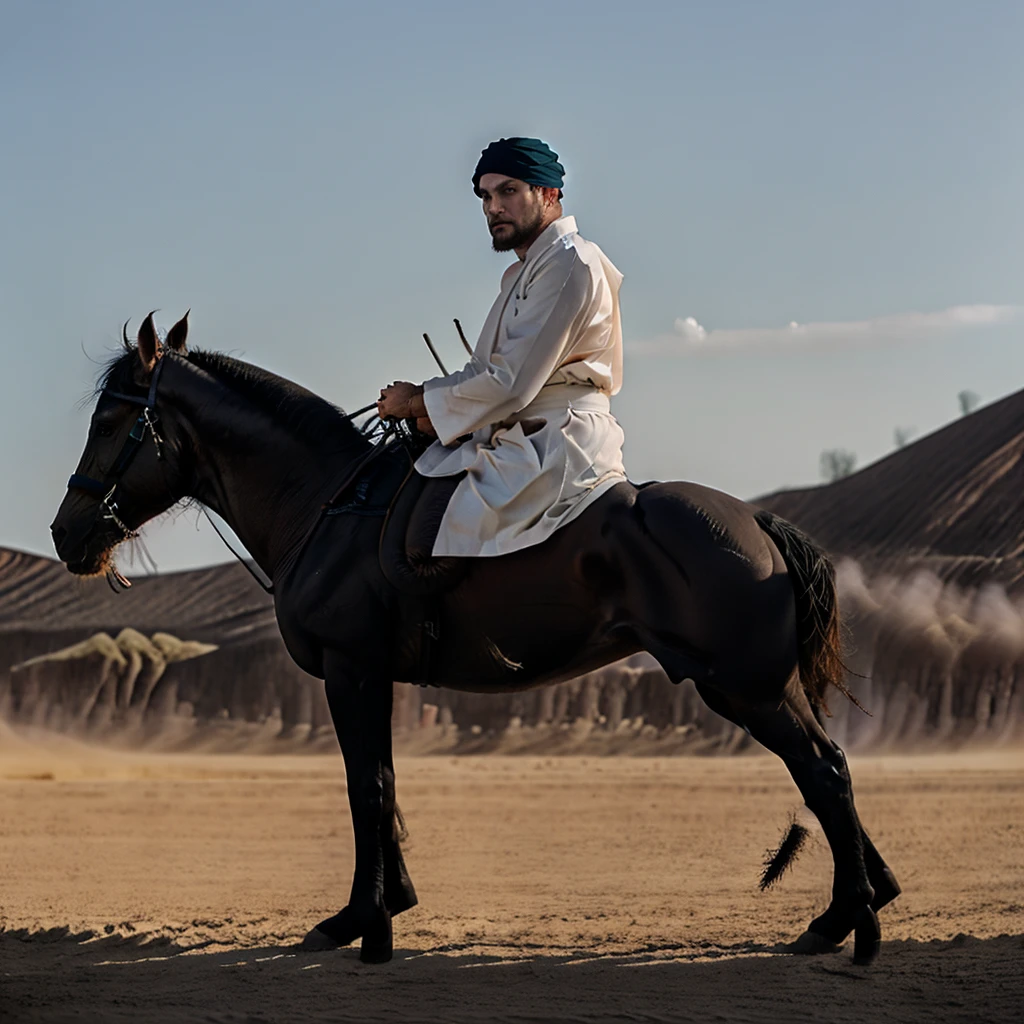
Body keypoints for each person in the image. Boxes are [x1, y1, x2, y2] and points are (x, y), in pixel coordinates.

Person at [377, 137, 627, 557]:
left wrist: (418, 403)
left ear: (548, 194)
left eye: (508, 191)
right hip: (522, 435)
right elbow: (484, 373)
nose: (493, 207)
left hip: (554, 444)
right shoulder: (524, 273)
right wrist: (434, 411)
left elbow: (510, 385)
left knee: (424, 539)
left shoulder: (570, 263)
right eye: (486, 196)